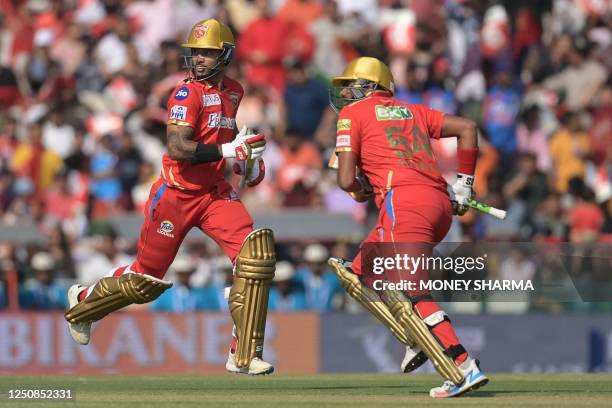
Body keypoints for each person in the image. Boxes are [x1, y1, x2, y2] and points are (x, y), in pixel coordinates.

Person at [63, 19, 276, 376]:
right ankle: (84, 302)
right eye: (196, 53)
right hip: (175, 195)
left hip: (213, 194)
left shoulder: (234, 91)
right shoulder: (184, 93)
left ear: (225, 55)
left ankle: (244, 353)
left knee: (256, 256)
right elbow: (178, 148)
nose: (201, 60)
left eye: (208, 53)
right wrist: (229, 148)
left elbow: (225, 138)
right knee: (145, 283)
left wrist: (248, 161)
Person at [327, 57, 488, 398]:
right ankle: (413, 337)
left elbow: (344, 180)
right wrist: (464, 186)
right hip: (437, 203)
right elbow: (467, 128)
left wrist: (359, 188)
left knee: (415, 292)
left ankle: (462, 365)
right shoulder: (412, 110)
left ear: (373, 86)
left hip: (403, 204)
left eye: (351, 85)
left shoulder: (352, 115)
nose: (345, 93)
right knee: (358, 274)